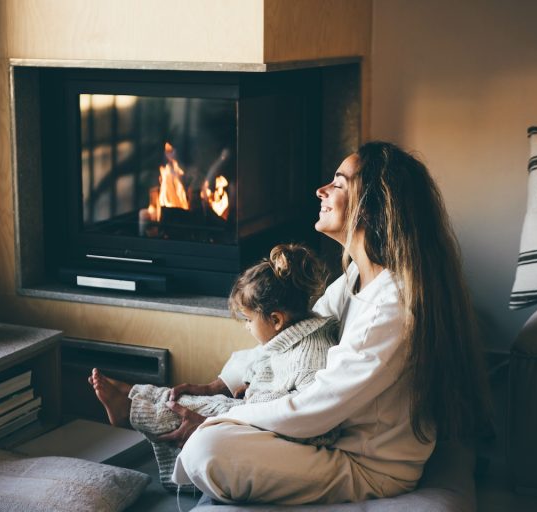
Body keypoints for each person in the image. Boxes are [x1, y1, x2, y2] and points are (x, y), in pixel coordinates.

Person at [156, 141, 491, 505]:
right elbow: (292, 339)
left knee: (210, 447)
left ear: (373, 207)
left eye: (339, 183)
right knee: (217, 429)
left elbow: (318, 408)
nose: (321, 190)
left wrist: (220, 418)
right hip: (327, 439)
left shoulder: (392, 304)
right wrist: (221, 385)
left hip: (367, 464)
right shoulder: (354, 280)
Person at [89, 244, 340, 491]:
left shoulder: (312, 354)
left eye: (248, 320)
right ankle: (138, 393)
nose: (247, 327)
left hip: (265, 423)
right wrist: (250, 384)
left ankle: (131, 411)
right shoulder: (289, 336)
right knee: (188, 398)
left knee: (194, 408)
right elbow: (270, 367)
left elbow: (313, 416)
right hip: (254, 409)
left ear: (275, 320)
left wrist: (256, 401)